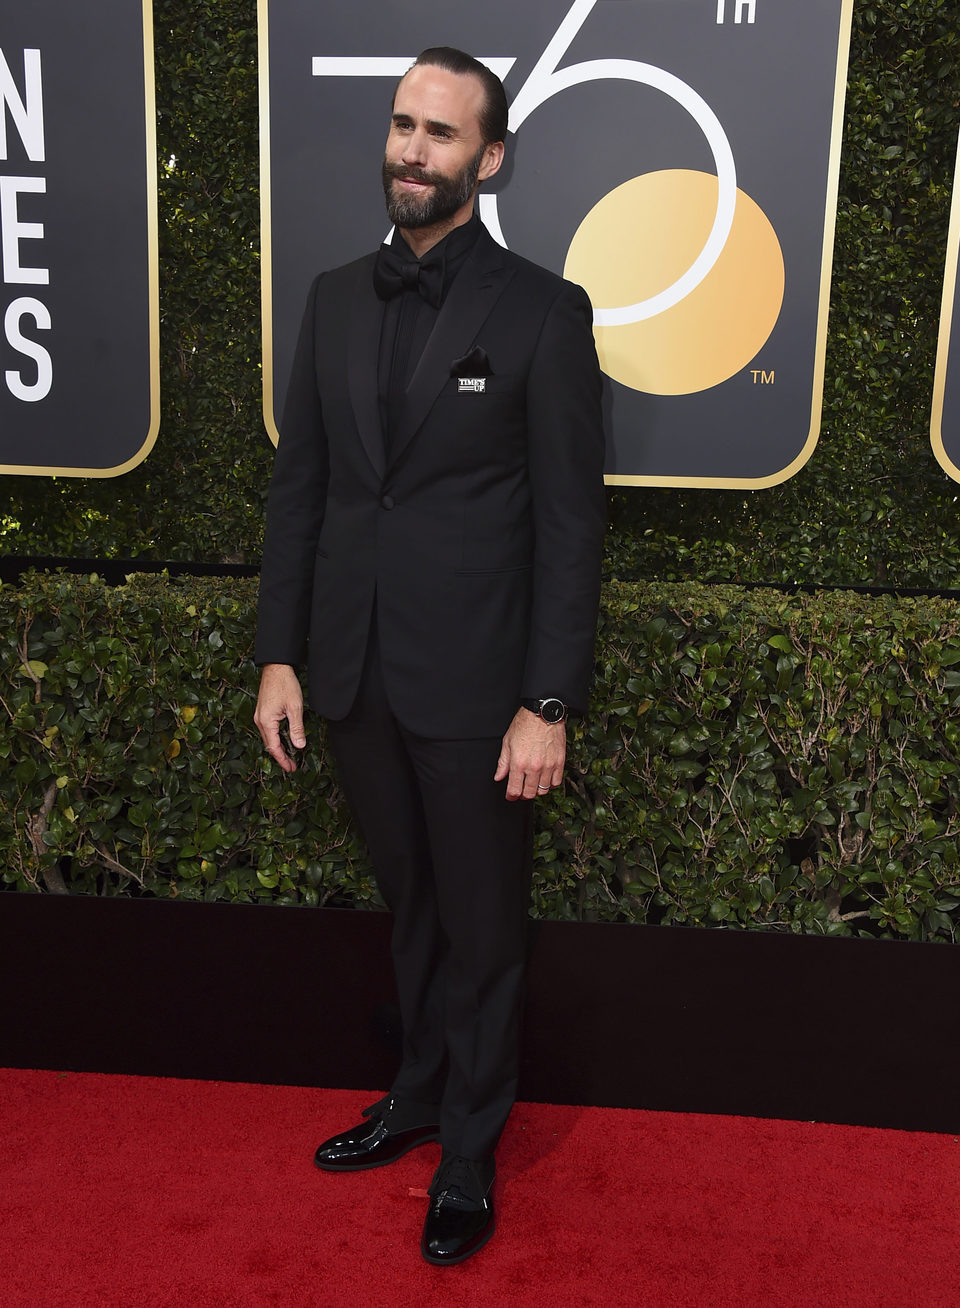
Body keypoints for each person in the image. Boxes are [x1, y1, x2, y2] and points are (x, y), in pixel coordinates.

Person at [254, 45, 606, 1266]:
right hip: (350, 673)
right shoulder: (334, 296)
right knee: (411, 912)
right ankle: (413, 1097)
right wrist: (280, 655)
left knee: (484, 923)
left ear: (489, 157)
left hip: (477, 687)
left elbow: (570, 527)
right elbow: (302, 493)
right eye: (402, 125)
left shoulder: (544, 313)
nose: (413, 149)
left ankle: (468, 1150)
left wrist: (545, 702)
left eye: (441, 133)